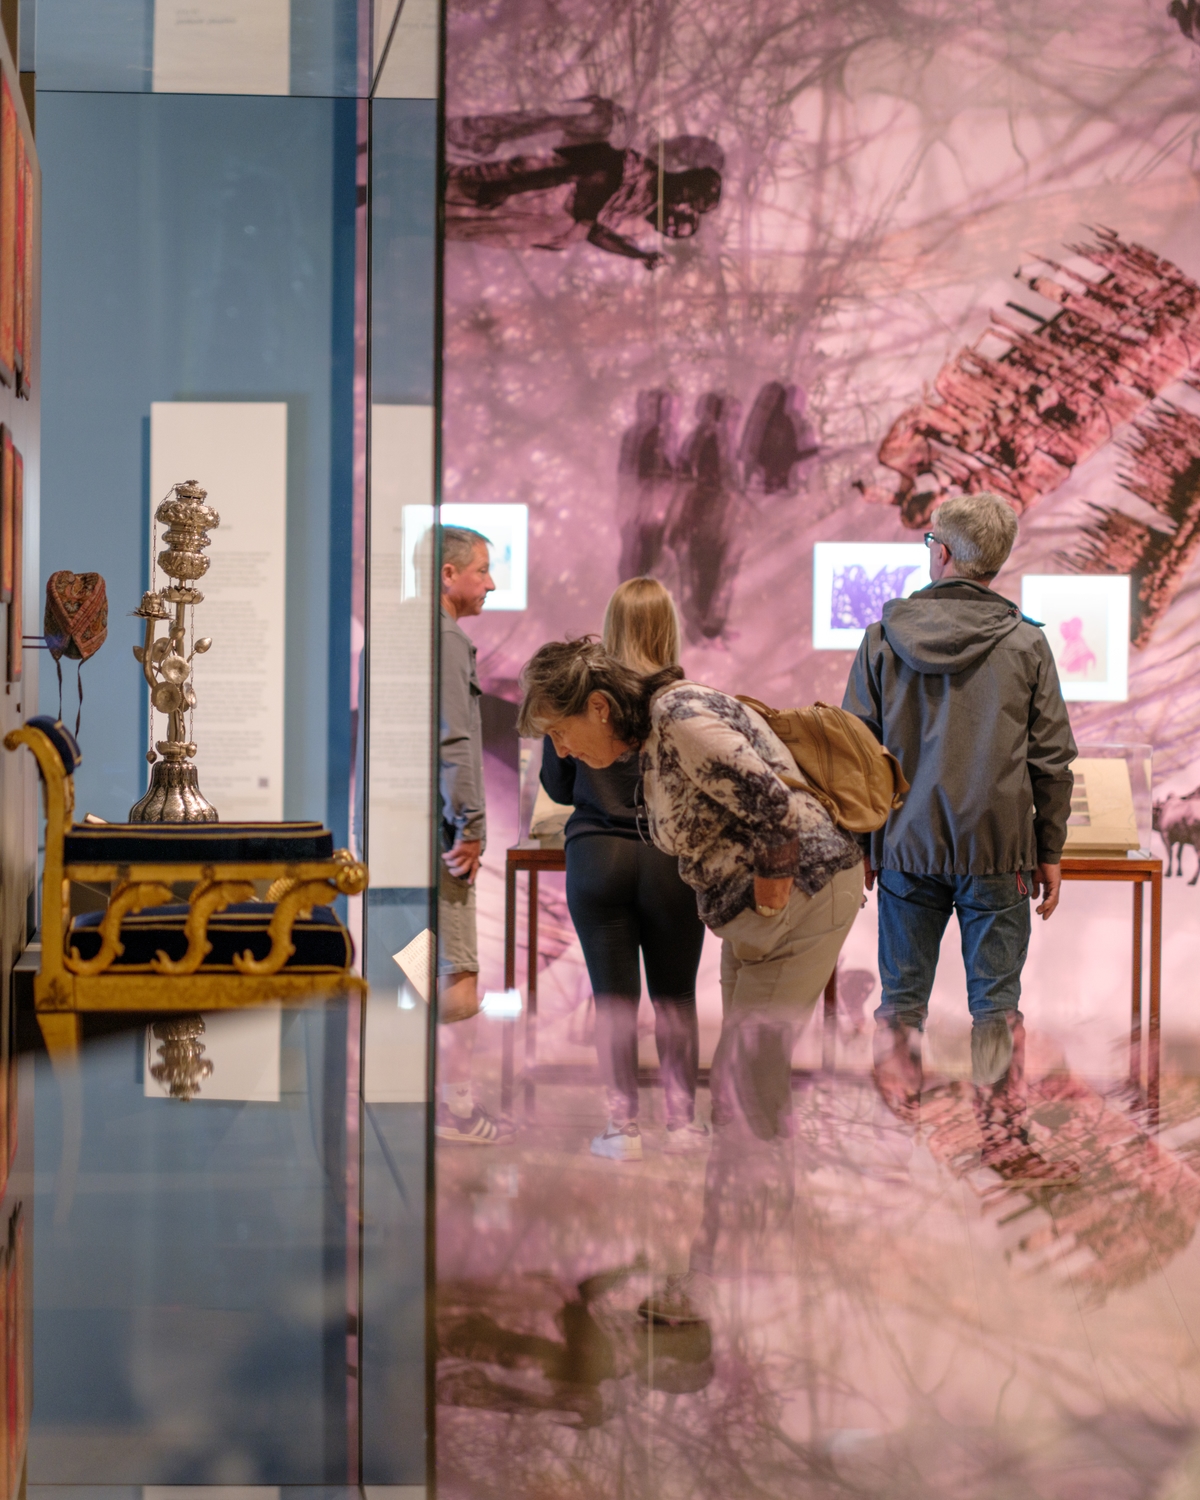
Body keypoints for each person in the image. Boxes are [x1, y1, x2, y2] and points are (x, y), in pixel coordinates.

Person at [517, 638, 864, 1145]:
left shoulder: (678, 717)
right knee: (740, 1081)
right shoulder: (654, 737)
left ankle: (761, 1204)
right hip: (757, 914)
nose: (562, 750)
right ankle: (746, 1201)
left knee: (746, 1083)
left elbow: (775, 808)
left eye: (560, 733)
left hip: (803, 897)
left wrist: (768, 903)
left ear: (598, 707)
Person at [841, 492, 1077, 1175]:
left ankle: (893, 1145)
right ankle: (1003, 1141)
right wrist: (1052, 849)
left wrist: (862, 844)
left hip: (905, 851)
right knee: (996, 1010)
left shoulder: (884, 638)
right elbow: (1052, 759)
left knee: (900, 1005)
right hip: (999, 854)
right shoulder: (1027, 643)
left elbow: (855, 750)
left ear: (941, 553)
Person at [539, 580, 707, 1162]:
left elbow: (558, 785)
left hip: (595, 856)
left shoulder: (581, 696)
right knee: (675, 997)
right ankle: (683, 1125)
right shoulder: (686, 698)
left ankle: (620, 1129)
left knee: (613, 1000)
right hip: (668, 859)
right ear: (668, 627)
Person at [435, 525, 511, 1144]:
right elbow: (453, 739)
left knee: (412, 964)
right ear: (447, 575)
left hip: (399, 833)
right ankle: (456, 1109)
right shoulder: (447, 641)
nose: (490, 582)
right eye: (482, 569)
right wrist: (471, 826)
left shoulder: (394, 639)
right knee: (457, 972)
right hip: (441, 838)